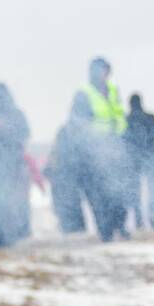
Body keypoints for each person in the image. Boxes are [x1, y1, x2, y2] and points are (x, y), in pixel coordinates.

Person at [73, 57, 131, 241]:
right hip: (93, 151)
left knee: (119, 190)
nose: (104, 75)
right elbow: (78, 123)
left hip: (115, 147)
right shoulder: (84, 93)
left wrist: (120, 135)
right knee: (99, 194)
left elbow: (120, 114)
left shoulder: (113, 90)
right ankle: (105, 230)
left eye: (106, 71)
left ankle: (120, 225)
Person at [0, 82, 31, 246]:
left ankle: (2, 236)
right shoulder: (16, 114)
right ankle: (22, 231)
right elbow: (25, 134)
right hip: (14, 163)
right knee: (18, 199)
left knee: (0, 201)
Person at [45, 93, 93, 234]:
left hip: (70, 170)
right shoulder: (83, 128)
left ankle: (74, 230)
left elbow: (56, 151)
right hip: (80, 169)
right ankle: (79, 230)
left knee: (71, 204)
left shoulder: (65, 130)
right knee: (91, 202)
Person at [124, 93, 154, 229]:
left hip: (133, 160)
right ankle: (153, 219)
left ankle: (138, 221)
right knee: (153, 189)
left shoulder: (126, 119)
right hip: (150, 159)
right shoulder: (150, 118)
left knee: (134, 191)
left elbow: (122, 141)